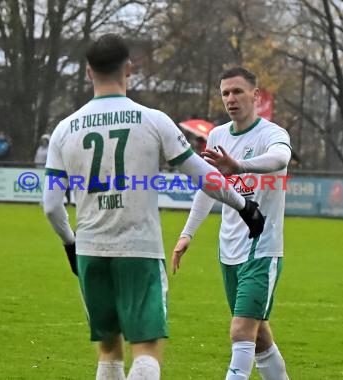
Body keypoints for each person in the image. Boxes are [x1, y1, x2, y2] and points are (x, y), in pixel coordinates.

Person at [42, 35, 264, 380]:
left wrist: (71, 244)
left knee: (108, 350)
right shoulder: (152, 120)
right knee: (146, 351)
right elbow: (203, 175)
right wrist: (243, 205)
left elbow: (51, 205)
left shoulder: (64, 129)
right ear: (129, 69)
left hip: (90, 250)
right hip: (139, 250)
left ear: (88, 72)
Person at [173, 67, 292, 380]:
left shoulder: (272, 134)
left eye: (238, 91)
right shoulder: (218, 135)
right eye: (225, 93)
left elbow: (280, 159)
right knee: (260, 336)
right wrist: (187, 233)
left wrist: (239, 166)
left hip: (261, 248)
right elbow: (209, 187)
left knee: (241, 330)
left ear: (255, 95)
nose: (231, 99)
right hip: (229, 251)